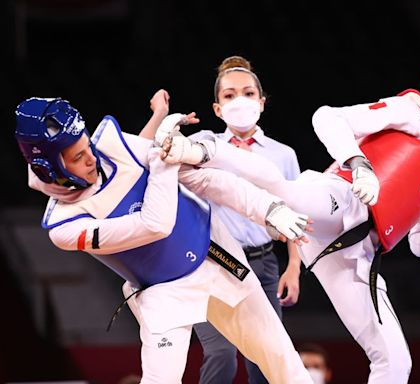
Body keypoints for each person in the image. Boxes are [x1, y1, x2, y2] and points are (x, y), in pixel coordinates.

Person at [160, 40, 420, 384]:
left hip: (356, 252)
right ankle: (198, 149)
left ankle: (197, 156)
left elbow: (419, 240)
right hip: (340, 198)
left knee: (395, 362)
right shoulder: (412, 111)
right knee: (283, 190)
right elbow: (327, 117)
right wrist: (359, 165)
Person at [13, 90, 316, 384]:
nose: (91, 158)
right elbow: (155, 225)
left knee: (283, 362)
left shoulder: (115, 147)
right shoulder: (65, 226)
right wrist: (161, 159)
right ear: (48, 168)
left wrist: (269, 209)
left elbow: (205, 179)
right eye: (78, 157)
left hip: (215, 253)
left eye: (87, 146)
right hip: (162, 292)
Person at [187, 55, 303, 384]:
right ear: (217, 108)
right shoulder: (204, 148)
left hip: (263, 265)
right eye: (229, 95)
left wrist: (293, 268)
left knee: (265, 362)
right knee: (222, 356)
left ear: (262, 103)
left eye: (248, 93)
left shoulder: (283, 154)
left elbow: (294, 213)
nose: (240, 100)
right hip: (213, 263)